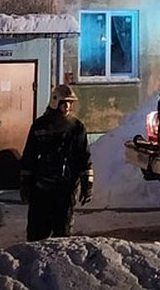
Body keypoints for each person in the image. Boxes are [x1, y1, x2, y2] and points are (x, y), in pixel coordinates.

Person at [19, 84, 93, 241]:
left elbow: (83, 157)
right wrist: (25, 183)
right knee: (37, 233)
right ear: (55, 101)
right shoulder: (40, 125)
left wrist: (87, 184)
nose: (67, 107)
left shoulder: (76, 127)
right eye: (64, 102)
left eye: (70, 103)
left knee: (62, 233)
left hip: (66, 188)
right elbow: (29, 155)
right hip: (41, 188)